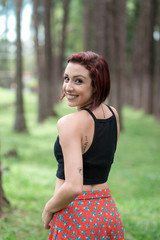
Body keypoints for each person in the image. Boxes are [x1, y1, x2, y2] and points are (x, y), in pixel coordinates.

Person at [42, 51, 124, 239]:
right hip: (108, 213)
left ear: (97, 85)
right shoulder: (113, 115)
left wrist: (48, 209)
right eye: (66, 78)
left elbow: (73, 186)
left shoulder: (69, 123)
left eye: (78, 81)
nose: (68, 87)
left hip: (76, 215)